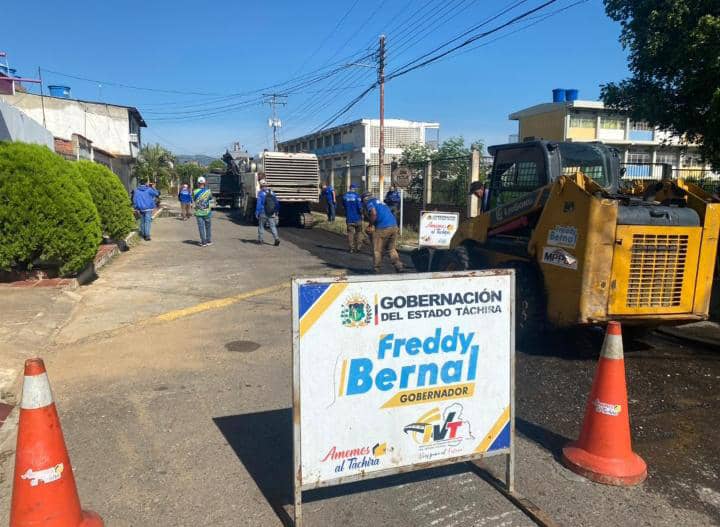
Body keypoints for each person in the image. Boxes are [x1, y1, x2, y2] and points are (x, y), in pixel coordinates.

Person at [362, 192, 403, 274]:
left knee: (377, 249)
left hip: (383, 227)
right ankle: (398, 265)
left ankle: (376, 269)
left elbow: (373, 213)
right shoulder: (380, 202)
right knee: (391, 248)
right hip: (394, 226)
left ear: (364, 199)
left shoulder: (369, 202)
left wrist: (370, 225)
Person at [256, 180, 280, 246]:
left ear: (261, 186)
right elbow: (276, 203)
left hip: (263, 212)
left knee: (261, 226)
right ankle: (276, 238)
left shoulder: (260, 193)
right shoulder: (272, 193)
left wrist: (257, 212)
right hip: (271, 212)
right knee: (272, 226)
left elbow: (259, 204)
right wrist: (276, 210)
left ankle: (260, 240)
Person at [342, 183, 363, 253]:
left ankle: (351, 248)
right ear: (354, 189)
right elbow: (360, 208)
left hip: (349, 218)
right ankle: (358, 247)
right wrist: (362, 214)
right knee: (359, 232)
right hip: (357, 218)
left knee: (350, 234)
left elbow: (344, 206)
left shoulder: (345, 196)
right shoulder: (357, 196)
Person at [193, 176, 214, 247]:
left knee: (201, 227)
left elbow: (194, 200)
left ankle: (203, 242)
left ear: (198, 183)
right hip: (207, 212)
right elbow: (211, 200)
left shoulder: (195, 192)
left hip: (199, 213)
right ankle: (209, 241)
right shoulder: (208, 191)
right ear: (204, 183)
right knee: (208, 227)